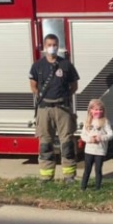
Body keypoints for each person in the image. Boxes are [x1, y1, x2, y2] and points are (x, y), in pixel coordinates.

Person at [29, 34, 80, 183]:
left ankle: (69, 176)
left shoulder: (66, 65)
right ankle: (46, 176)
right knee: (45, 143)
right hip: (44, 109)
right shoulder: (37, 66)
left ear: (58, 46)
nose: (52, 47)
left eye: (55, 44)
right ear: (44, 47)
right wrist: (43, 98)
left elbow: (74, 86)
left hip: (62, 108)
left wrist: (64, 97)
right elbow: (33, 85)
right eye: (50, 44)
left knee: (67, 142)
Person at [80, 99, 113, 191]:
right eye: (95, 109)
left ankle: (97, 188)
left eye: (100, 110)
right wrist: (89, 139)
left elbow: (110, 134)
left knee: (98, 170)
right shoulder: (88, 122)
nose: (98, 112)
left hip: (100, 151)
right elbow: (83, 135)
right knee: (87, 169)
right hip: (89, 150)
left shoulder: (105, 121)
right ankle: (83, 187)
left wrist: (101, 137)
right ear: (90, 110)